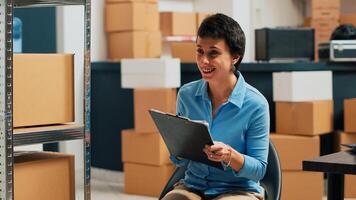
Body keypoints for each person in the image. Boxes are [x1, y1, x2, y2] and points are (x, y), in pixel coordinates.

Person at [162, 13, 270, 200]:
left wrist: (230, 156)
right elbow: (181, 159)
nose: (204, 61)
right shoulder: (186, 95)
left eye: (213, 53)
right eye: (199, 51)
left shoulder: (256, 104)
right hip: (192, 186)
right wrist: (178, 148)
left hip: (238, 190)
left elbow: (259, 170)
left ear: (234, 57)